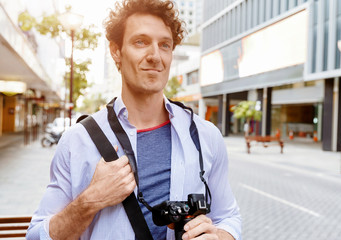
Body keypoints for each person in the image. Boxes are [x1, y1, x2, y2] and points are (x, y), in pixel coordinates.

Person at [26, 0, 242, 239]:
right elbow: (36, 235)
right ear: (116, 51)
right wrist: (90, 200)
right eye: (141, 42)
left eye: (165, 45)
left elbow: (228, 217)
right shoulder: (77, 141)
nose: (155, 56)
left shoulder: (205, 135)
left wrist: (221, 236)